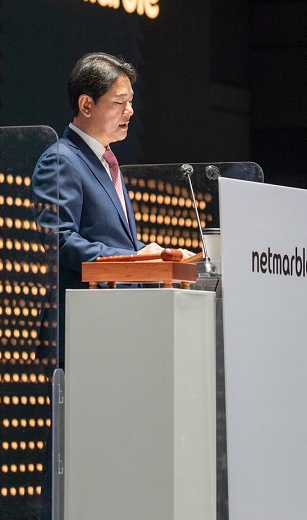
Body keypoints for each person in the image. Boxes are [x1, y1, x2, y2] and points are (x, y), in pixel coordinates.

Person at [32, 52, 192, 352]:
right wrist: (136, 258)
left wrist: (152, 254)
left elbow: (111, 240)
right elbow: (60, 242)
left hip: (114, 323)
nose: (129, 111)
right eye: (119, 102)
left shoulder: (106, 160)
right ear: (86, 105)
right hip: (81, 330)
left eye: (130, 101)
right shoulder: (61, 160)